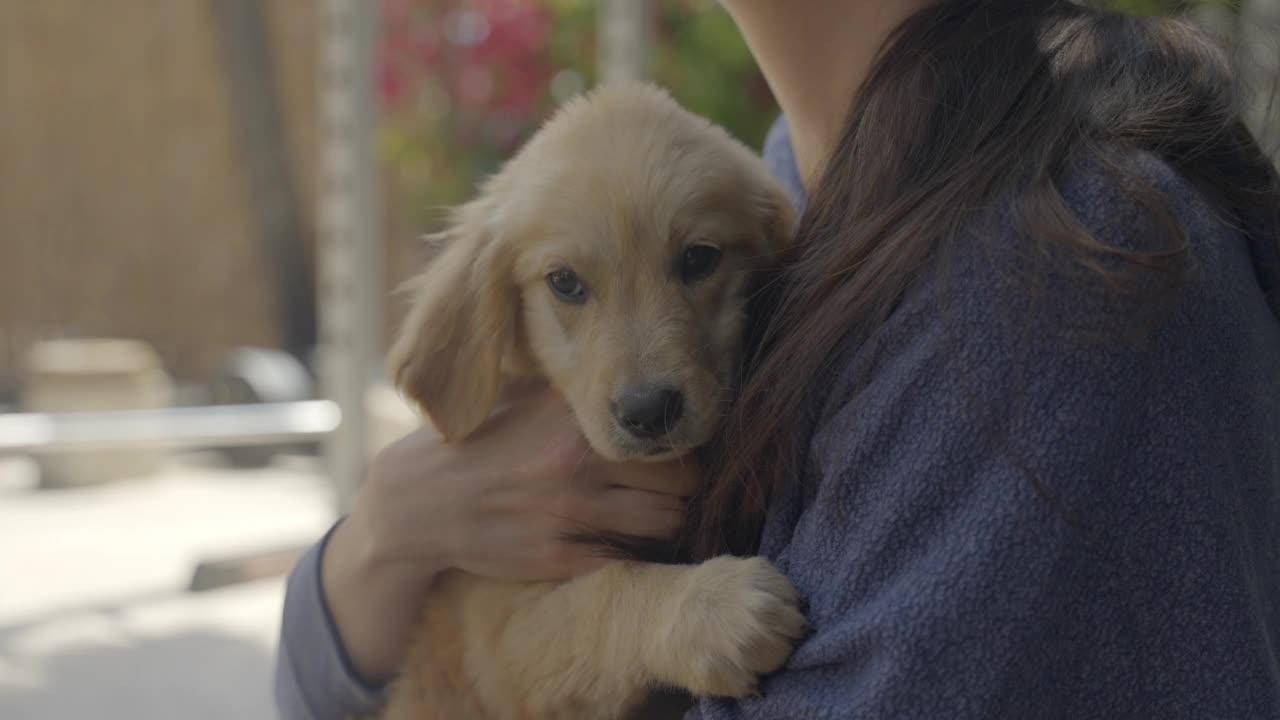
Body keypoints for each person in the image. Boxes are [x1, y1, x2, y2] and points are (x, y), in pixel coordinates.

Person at [276, 1, 1280, 718]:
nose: (642, 361)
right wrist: (379, 539)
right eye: (570, 289)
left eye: (695, 267)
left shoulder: (1051, 255)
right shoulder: (802, 193)